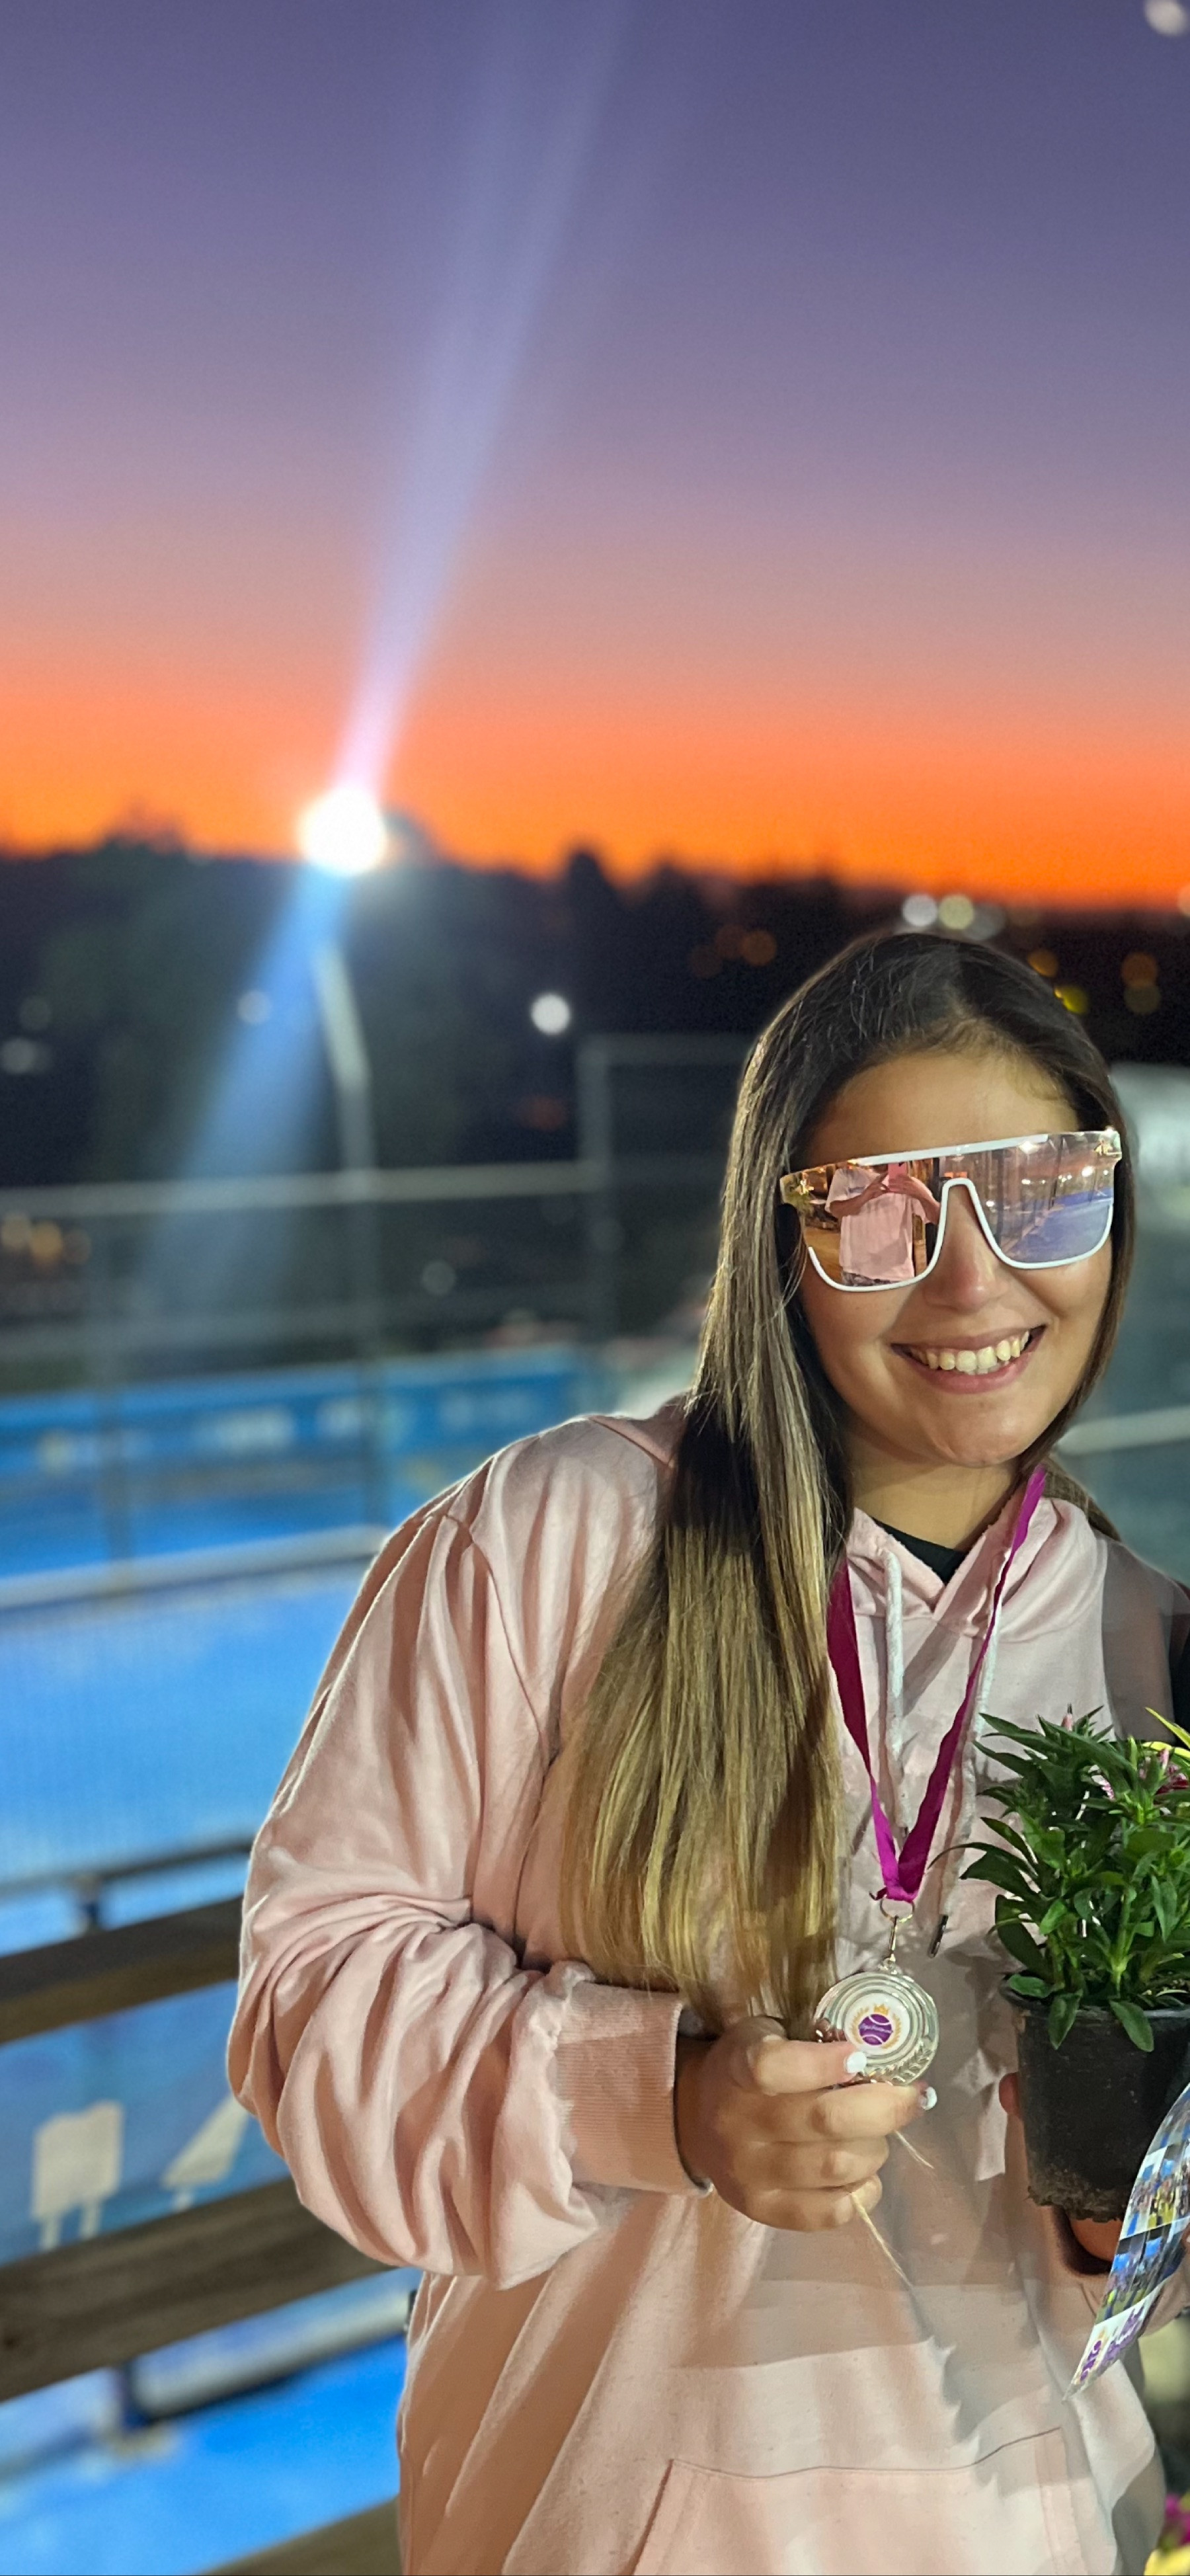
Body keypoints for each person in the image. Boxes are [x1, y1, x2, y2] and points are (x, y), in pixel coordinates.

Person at [229, 931, 1190, 2576]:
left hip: (1017, 2526)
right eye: (881, 1212)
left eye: (1042, 1195)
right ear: (779, 1242)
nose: (975, 1282)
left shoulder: (1151, 1645)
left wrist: (1133, 2215)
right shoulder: (550, 1542)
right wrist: (658, 2102)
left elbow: (1141, 2244)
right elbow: (313, 1995)